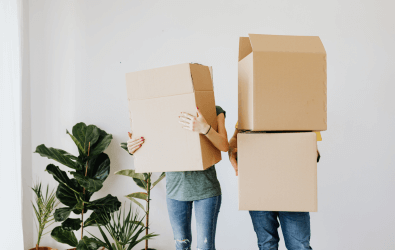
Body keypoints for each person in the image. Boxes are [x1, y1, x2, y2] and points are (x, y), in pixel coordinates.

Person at [127, 106, 229, 250]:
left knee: (205, 247)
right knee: (181, 245)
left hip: (206, 190)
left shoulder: (214, 110)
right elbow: (150, 144)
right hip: (176, 192)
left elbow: (224, 146)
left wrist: (205, 128)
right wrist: (134, 148)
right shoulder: (161, 111)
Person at [228, 122, 319, 250]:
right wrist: (232, 151)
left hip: (292, 188)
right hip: (259, 185)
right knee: (267, 245)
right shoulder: (252, 105)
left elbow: (312, 146)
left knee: (299, 246)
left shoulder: (301, 108)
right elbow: (236, 138)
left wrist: (309, 154)